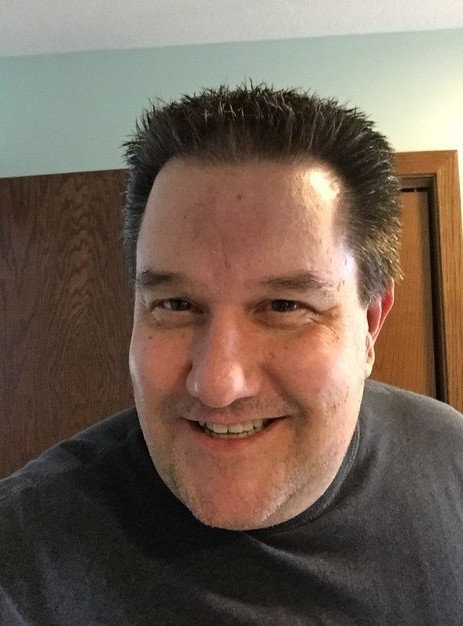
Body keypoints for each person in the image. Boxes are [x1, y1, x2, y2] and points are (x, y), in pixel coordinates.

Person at [1, 84, 462, 625]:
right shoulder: (21, 560)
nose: (218, 384)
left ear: (370, 324)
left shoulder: (451, 461)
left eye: (285, 306)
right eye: (176, 304)